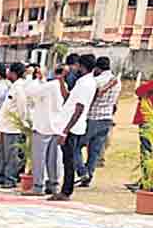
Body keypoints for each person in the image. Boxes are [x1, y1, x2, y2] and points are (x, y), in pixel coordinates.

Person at [52, 53, 97, 201]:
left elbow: (79, 108)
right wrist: (61, 80)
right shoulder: (82, 82)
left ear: (81, 67)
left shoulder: (86, 83)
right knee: (67, 159)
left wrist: (65, 131)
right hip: (70, 125)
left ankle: (66, 191)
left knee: (69, 161)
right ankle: (66, 189)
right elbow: (69, 98)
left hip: (72, 128)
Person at [27, 64, 65, 196]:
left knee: (39, 158)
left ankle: (38, 186)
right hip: (56, 126)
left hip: (44, 126)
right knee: (53, 159)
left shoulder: (50, 86)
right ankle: (53, 185)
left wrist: (34, 77)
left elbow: (31, 92)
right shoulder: (61, 86)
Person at [80, 56, 118, 188]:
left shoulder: (95, 81)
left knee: (77, 146)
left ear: (97, 67)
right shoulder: (117, 81)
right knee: (95, 151)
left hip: (92, 117)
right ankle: (88, 176)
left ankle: (82, 172)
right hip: (106, 117)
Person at [0, 62, 29, 189]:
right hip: (4, 125)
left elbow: (22, 108)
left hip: (12, 127)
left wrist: (21, 123)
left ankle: (10, 178)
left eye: (9, 71)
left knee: (11, 154)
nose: (7, 73)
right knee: (1, 152)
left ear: (14, 73)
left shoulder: (19, 88)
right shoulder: (13, 86)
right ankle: (1, 175)